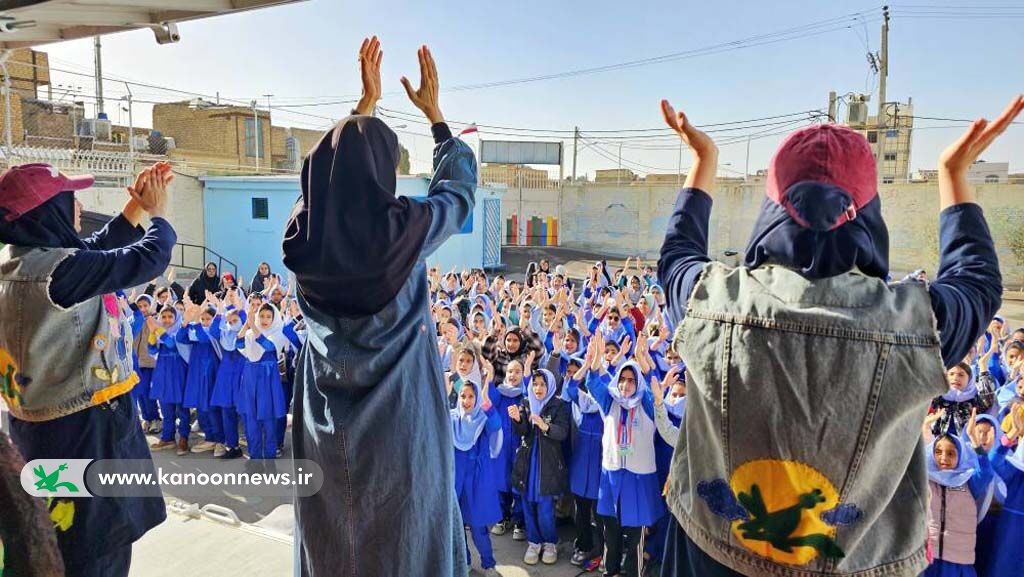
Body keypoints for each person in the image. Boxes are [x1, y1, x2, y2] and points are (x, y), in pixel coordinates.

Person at [656, 95, 1020, 577]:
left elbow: (677, 255)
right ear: (868, 216)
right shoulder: (915, 323)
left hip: (710, 555)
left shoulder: (712, 299)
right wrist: (953, 175)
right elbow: (977, 281)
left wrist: (704, 162)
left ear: (772, 211)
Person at [285, 38, 478, 576]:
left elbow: (319, 184)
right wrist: (437, 120)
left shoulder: (300, 239)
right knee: (406, 545)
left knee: (331, 542)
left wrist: (362, 108)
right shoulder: (403, 232)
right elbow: (459, 193)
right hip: (400, 432)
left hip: (325, 433)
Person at [0, 161, 176, 576]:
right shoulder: (59, 275)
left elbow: (92, 250)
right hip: (88, 437)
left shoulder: (20, 263)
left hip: (42, 433)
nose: (78, 206)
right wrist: (158, 215)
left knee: (61, 536)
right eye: (69, 200)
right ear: (47, 213)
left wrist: (134, 207)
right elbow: (147, 258)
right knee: (97, 548)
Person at [448, 367, 504, 577]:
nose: (466, 401)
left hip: (476, 479)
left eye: (471, 397)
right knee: (457, 525)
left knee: (478, 525)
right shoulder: (453, 418)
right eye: (463, 396)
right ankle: (464, 562)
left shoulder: (482, 419)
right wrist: (451, 382)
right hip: (456, 479)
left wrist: (486, 403)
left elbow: (495, 425)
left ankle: (488, 564)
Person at [509, 369, 568, 566]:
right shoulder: (526, 402)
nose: (538, 388)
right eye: (535, 384)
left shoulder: (557, 405)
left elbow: (563, 432)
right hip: (527, 462)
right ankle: (534, 542)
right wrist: (518, 419)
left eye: (543, 384)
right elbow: (522, 431)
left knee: (545, 508)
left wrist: (546, 427)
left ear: (550, 386)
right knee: (527, 504)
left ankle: (550, 542)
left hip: (547, 466)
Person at [924, 414, 994, 577]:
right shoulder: (926, 479)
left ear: (960, 455)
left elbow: (986, 472)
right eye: (938, 452)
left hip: (959, 562)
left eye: (951, 453)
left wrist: (975, 442)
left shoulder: (968, 482)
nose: (943, 457)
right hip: (929, 559)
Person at [147, 305, 192, 455]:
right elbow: (152, 350)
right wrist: (152, 332)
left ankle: (183, 438)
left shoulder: (180, 331)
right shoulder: (159, 333)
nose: (166, 320)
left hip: (179, 374)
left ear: (176, 318)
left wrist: (157, 329)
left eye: (170, 317)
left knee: (182, 409)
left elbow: (171, 344)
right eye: (163, 317)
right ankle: (167, 438)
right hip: (163, 374)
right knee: (166, 409)